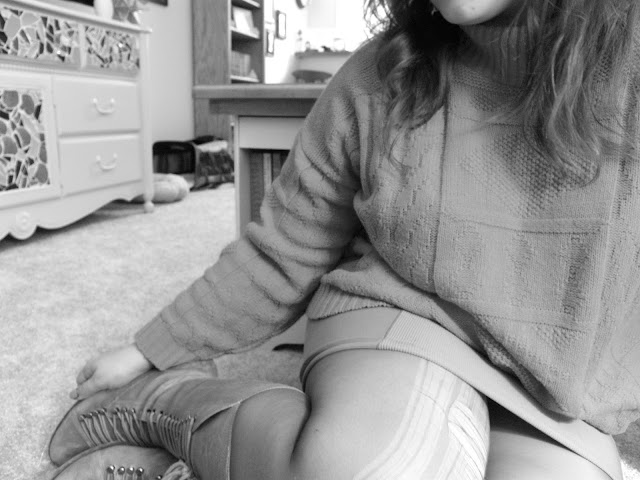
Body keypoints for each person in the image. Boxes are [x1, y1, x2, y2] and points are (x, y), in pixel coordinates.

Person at [48, 0, 640, 478]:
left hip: (556, 388)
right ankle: (166, 402)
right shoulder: (385, 70)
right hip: (404, 315)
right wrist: (151, 350)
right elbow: (282, 249)